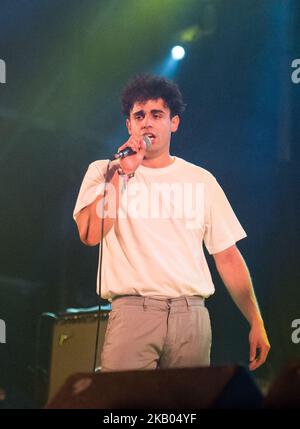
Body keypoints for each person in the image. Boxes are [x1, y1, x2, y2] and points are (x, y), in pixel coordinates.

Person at [73, 74, 270, 372]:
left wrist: (256, 320)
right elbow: (89, 233)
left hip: (190, 316)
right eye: (139, 115)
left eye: (157, 114)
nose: (147, 123)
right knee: (123, 409)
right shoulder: (105, 171)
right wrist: (123, 175)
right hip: (133, 312)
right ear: (129, 125)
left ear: (173, 122)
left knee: (184, 411)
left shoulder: (201, 180)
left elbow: (227, 256)